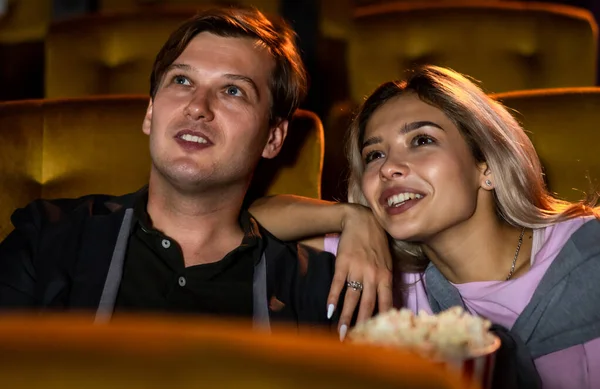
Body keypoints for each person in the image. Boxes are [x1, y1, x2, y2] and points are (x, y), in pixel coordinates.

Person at [0, 6, 392, 332]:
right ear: (151, 113)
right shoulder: (47, 240)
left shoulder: (320, 290)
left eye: (233, 90)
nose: (198, 107)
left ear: (274, 137)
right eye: (182, 80)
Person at [249, 66, 600, 389]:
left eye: (421, 140)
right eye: (374, 154)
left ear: (487, 166)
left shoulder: (589, 252)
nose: (388, 168)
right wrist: (352, 217)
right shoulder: (391, 270)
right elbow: (246, 222)